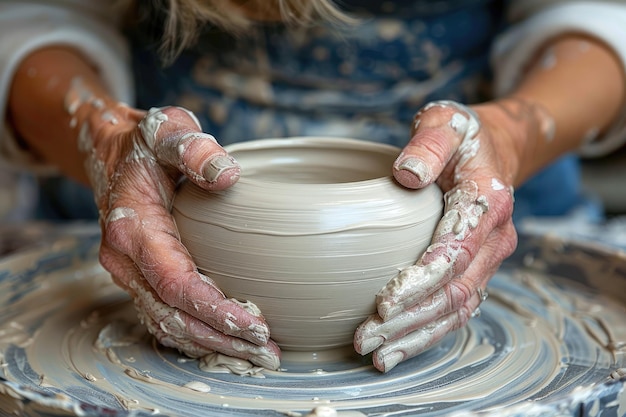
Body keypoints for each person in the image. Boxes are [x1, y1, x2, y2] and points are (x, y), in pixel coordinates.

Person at [1, 0, 625, 373]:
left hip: (481, 202)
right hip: (153, 204)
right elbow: (31, 18)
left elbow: (598, 18)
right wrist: (102, 135)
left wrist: (513, 135)